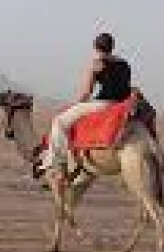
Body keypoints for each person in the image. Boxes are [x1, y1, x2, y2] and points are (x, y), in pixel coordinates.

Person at [41, 32, 132, 181]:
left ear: (95, 47)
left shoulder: (96, 64)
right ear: (112, 47)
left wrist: (75, 105)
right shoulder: (125, 64)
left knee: (59, 121)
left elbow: (86, 93)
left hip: (103, 104)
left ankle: (56, 163)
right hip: (121, 105)